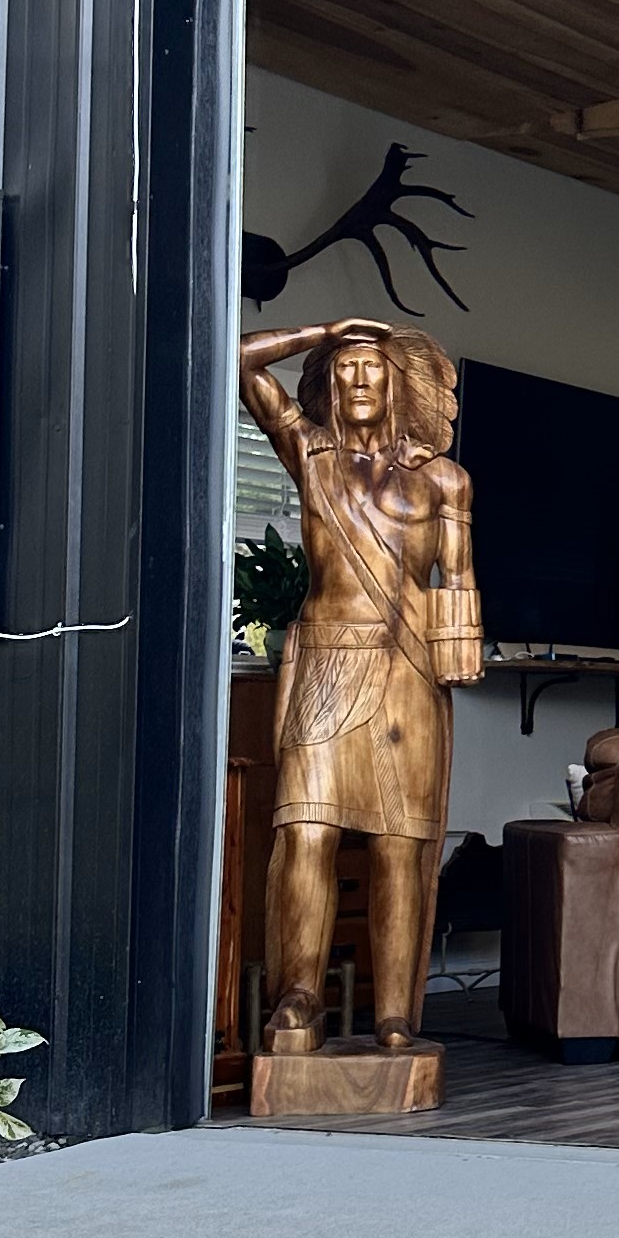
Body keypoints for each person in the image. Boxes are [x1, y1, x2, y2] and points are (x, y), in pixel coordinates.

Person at [237, 317, 480, 1052]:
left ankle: (395, 1014)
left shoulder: (443, 480)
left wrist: (457, 651)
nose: (360, 378)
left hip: (405, 671)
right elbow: (239, 362)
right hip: (326, 666)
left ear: (399, 383)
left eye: (373, 367)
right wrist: (324, 329)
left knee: (398, 848)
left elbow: (459, 578)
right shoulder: (311, 455)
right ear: (328, 383)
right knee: (307, 832)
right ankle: (299, 1000)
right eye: (344, 368)